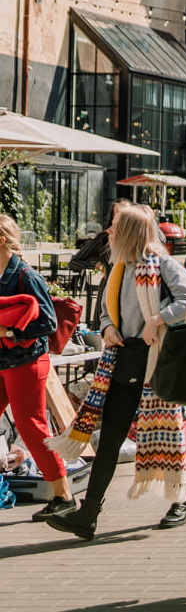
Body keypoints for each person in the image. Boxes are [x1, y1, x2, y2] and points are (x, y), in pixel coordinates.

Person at [46, 205, 186, 540]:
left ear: (128, 231)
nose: (109, 232)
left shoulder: (161, 263)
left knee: (168, 429)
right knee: (111, 438)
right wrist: (108, 327)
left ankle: (182, 500)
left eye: (114, 226)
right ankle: (89, 514)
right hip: (123, 360)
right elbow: (104, 312)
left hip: (155, 362)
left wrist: (158, 319)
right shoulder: (118, 267)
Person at [0, 214, 70, 521]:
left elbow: (48, 322)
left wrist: (9, 333)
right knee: (31, 426)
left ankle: (63, 496)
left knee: (32, 426)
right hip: (4, 360)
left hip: (27, 361)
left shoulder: (25, 275)